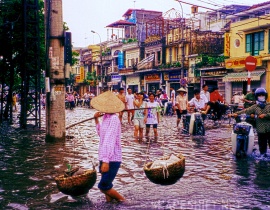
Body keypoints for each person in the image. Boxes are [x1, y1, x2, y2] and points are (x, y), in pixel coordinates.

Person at [91, 91, 126, 203]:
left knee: (103, 186)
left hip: (112, 158)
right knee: (106, 186)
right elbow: (102, 134)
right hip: (104, 156)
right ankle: (109, 204)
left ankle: (125, 202)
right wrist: (96, 119)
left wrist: (106, 160)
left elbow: (109, 140)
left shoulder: (114, 119)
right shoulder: (106, 117)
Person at [230, 88, 270, 157]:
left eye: (262, 95)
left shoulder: (269, 105)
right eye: (259, 95)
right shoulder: (255, 107)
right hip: (260, 130)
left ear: (265, 96)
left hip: (269, 129)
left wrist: (265, 115)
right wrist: (236, 114)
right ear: (257, 97)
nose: (261, 97)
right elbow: (246, 111)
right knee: (262, 148)